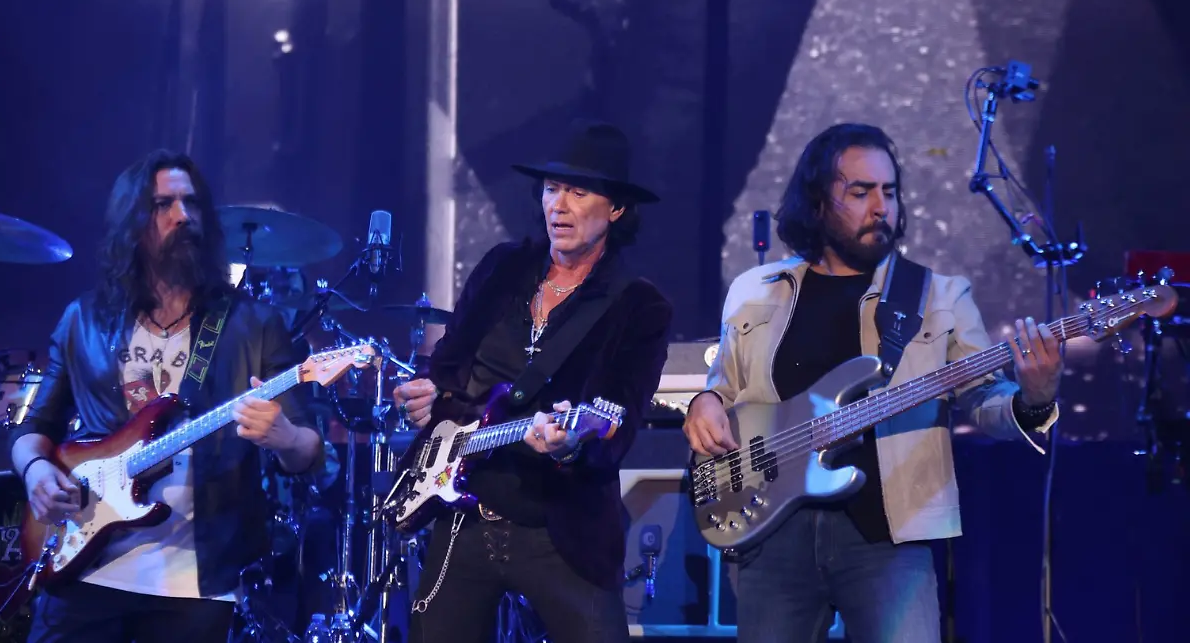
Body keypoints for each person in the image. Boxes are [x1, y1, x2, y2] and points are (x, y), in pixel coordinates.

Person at [682, 123, 1062, 643]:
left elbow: (982, 398)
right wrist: (704, 401)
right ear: (818, 202)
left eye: (889, 191)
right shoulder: (755, 290)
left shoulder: (939, 296)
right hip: (772, 535)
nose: (881, 207)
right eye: (860, 192)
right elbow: (723, 389)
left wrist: (1035, 398)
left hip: (889, 536)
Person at [10, 150, 324, 643]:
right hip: (82, 565)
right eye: (163, 205)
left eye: (191, 203)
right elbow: (34, 429)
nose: (183, 216)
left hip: (195, 582)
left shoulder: (253, 324)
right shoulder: (84, 320)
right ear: (132, 223)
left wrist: (285, 437)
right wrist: (36, 472)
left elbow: (309, 449)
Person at [392, 120, 673, 643]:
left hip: (560, 530)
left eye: (578, 193)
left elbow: (619, 423)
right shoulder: (503, 267)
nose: (558, 206)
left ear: (616, 208)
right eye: (551, 189)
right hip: (465, 515)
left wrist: (571, 445)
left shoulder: (639, 306)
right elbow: (448, 365)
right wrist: (430, 394)